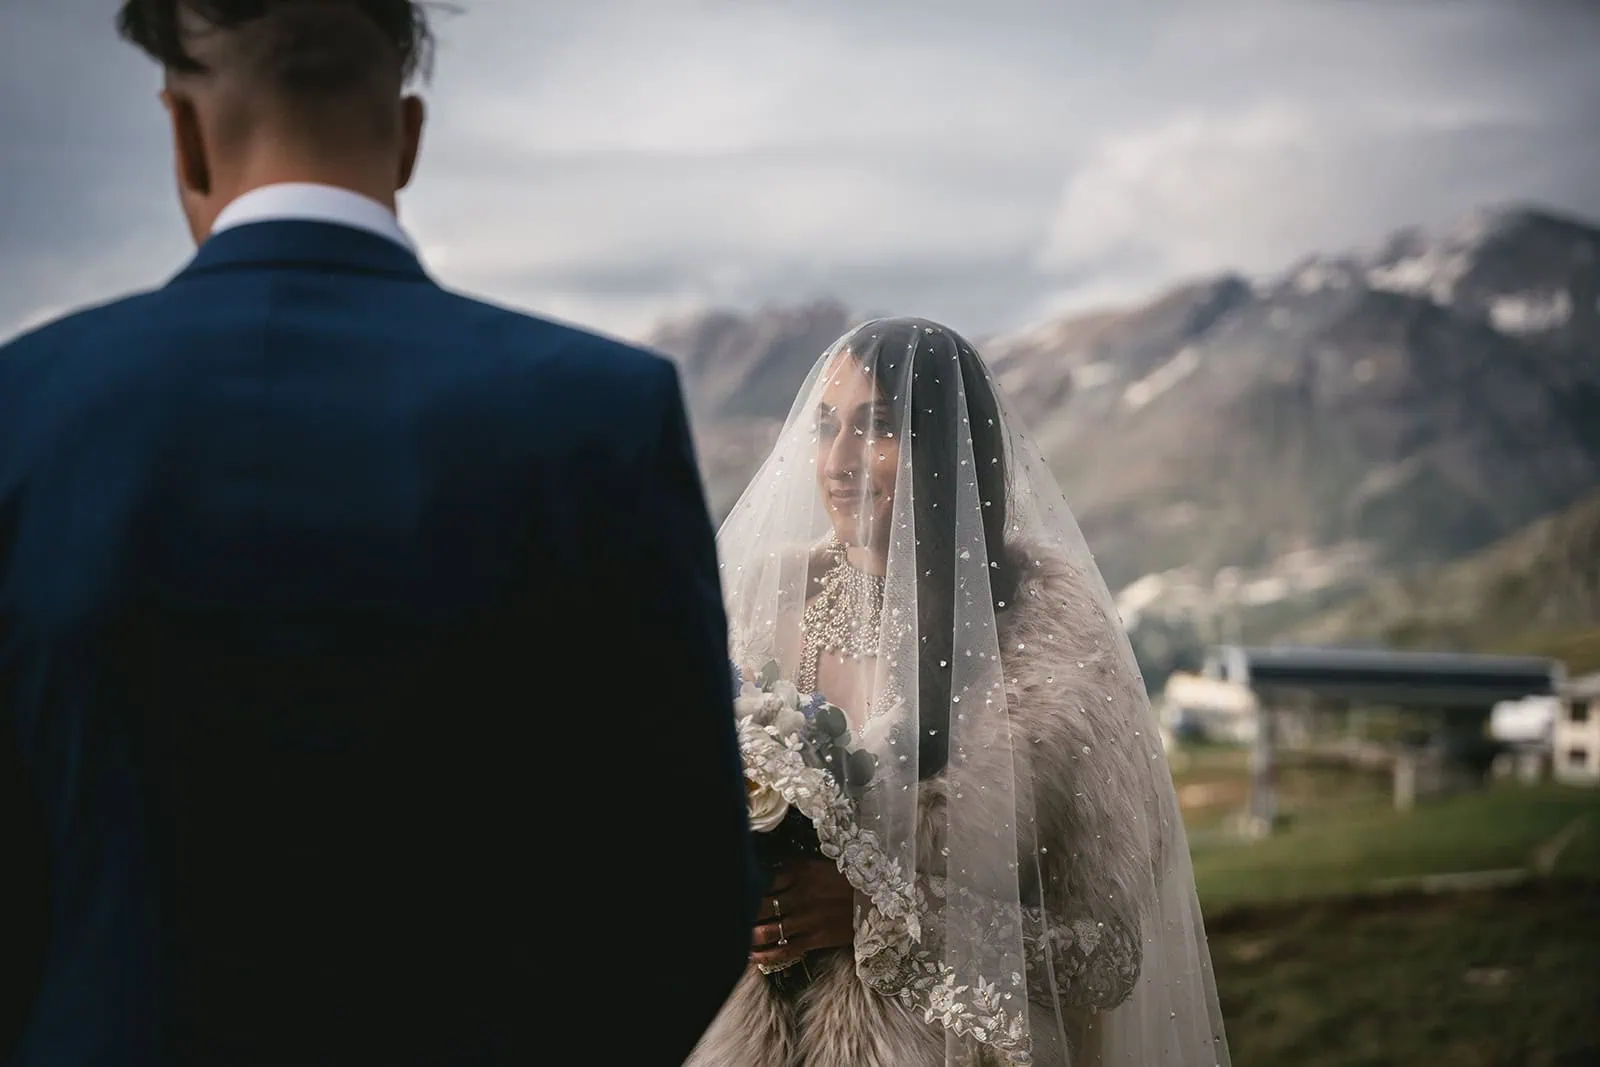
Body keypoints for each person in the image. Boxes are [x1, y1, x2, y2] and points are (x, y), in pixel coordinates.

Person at [0, 2, 758, 1064]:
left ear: (180, 132)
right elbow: (686, 890)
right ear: (407, 135)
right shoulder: (600, 413)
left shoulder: (24, 408)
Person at [692, 318, 1230, 1066]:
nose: (839, 462)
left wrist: (877, 915)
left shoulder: (1056, 649)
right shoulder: (759, 608)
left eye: (877, 427)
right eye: (826, 428)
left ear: (946, 450)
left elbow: (1105, 954)